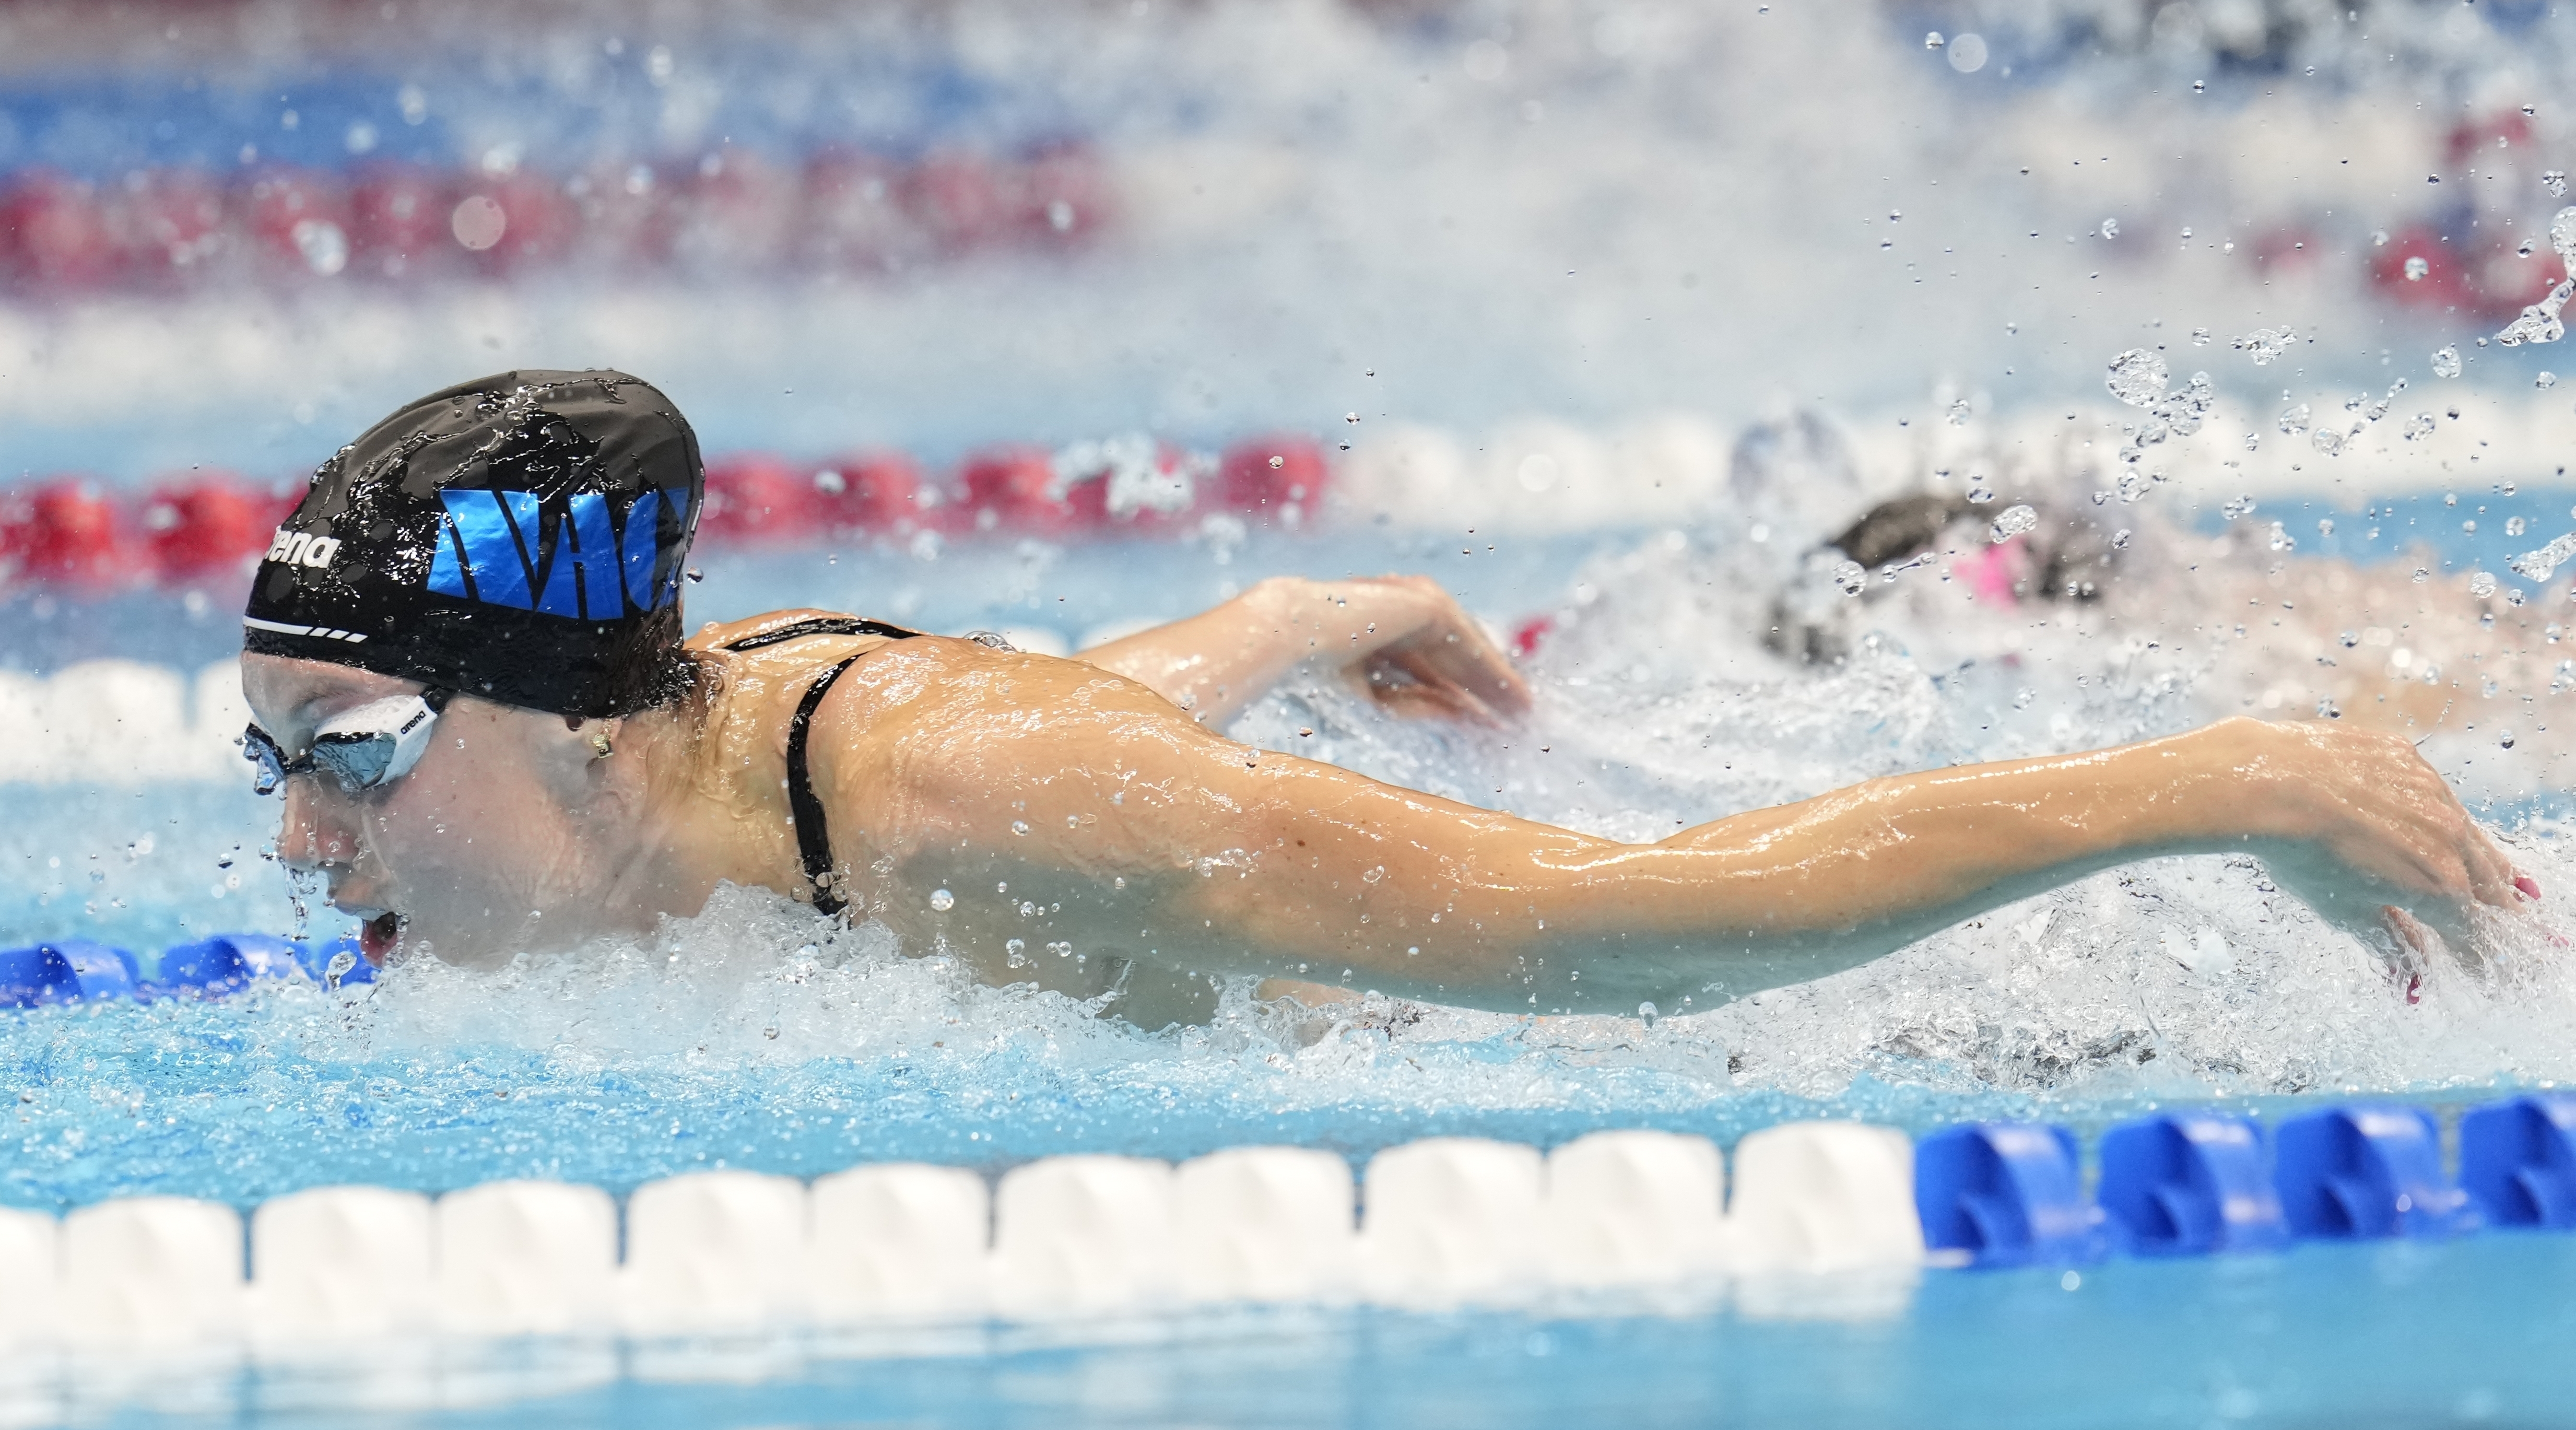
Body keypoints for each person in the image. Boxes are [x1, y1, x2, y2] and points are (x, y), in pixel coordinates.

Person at [240, 370, 2530, 1028]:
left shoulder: (970, 794)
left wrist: (2218, 787)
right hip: (1493, 726)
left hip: (1736, 874)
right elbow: (1050, 722)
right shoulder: (687, 752)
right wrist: (1280, 614)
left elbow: (1634, 932)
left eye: (347, 755)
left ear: (575, 732)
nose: (294, 836)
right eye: (271, 758)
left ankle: (2157, 651)